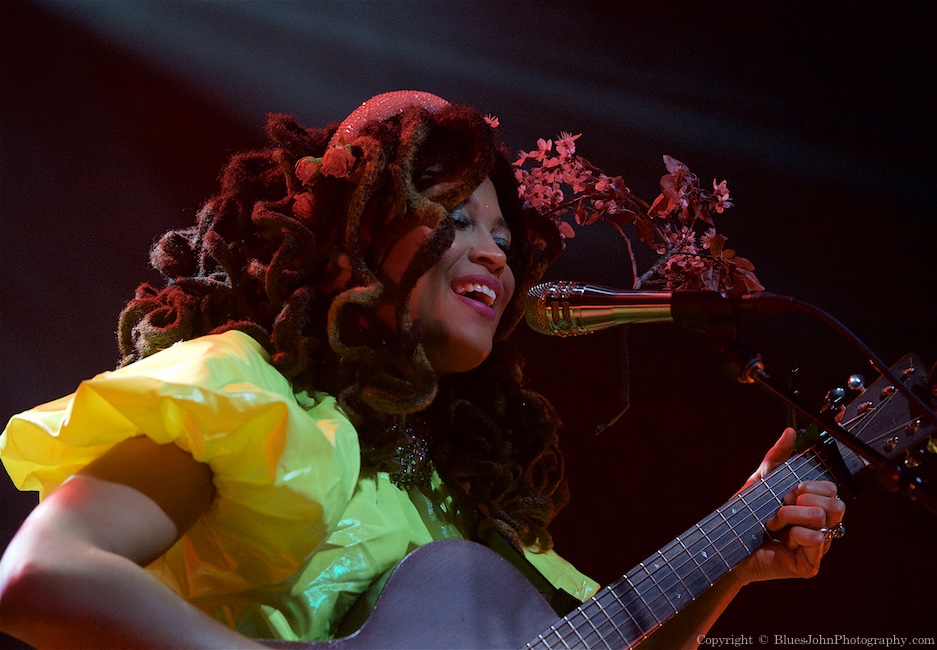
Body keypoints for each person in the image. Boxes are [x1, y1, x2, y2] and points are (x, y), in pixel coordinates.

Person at [0, 91, 845, 649]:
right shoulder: (248, 395)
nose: (496, 255)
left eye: (504, 238)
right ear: (359, 232)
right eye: (457, 218)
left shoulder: (460, 499)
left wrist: (733, 558)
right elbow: (46, 574)